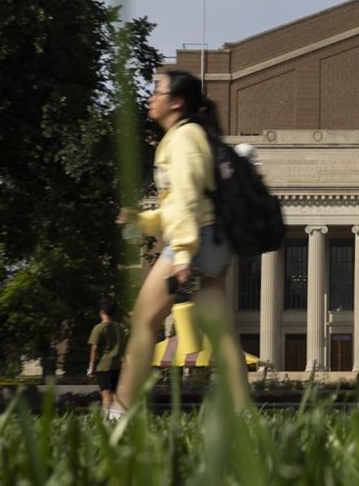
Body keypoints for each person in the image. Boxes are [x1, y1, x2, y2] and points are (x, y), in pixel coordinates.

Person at [113, 70, 250, 418]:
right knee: (222, 334)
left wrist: (183, 254)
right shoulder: (187, 136)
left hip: (195, 239)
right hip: (212, 237)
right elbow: (176, 205)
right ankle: (243, 412)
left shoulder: (184, 138)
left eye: (157, 91)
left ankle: (121, 410)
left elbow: (188, 198)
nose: (150, 97)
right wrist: (142, 220)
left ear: (176, 102)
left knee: (144, 322)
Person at [87, 301, 126, 413]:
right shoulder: (120, 328)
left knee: (105, 393)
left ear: (102, 312)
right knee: (114, 393)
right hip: (117, 364)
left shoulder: (98, 328)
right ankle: (116, 415)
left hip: (104, 365)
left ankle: (106, 417)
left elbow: (94, 348)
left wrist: (91, 367)